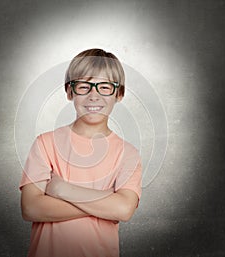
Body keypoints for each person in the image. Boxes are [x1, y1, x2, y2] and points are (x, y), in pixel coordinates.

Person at [19, 48, 142, 257]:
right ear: (70, 92)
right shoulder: (45, 144)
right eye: (84, 87)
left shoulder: (128, 154)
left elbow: (123, 210)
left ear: (119, 94)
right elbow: (31, 208)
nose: (94, 96)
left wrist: (61, 190)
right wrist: (106, 202)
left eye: (105, 87)